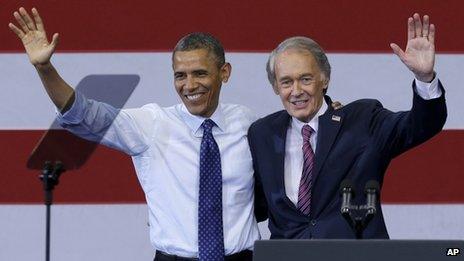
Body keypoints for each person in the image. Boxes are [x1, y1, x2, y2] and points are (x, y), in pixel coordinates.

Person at [9, 7, 261, 261]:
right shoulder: (152, 124)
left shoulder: (248, 124)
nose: (190, 85)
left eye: (200, 73)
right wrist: (45, 68)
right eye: (180, 76)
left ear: (224, 72)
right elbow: (84, 115)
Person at [248, 13, 447, 239]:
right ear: (275, 86)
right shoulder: (262, 133)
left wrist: (424, 78)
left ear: (325, 79)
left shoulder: (363, 120)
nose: (296, 91)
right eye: (286, 82)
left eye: (305, 79)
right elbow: (253, 204)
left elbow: (421, 125)